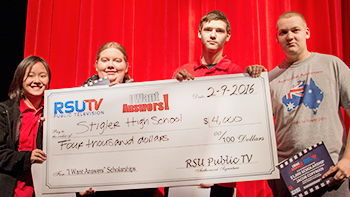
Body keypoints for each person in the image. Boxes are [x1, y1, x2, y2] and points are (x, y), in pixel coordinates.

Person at [173, 10, 266, 197]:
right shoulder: (183, 72)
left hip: (222, 174)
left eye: (219, 31)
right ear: (199, 33)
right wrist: (174, 87)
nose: (213, 35)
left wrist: (258, 80)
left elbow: (247, 124)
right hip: (184, 172)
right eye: (208, 29)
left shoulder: (239, 73)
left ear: (228, 36)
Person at [268, 11, 350, 196]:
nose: (290, 37)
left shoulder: (332, 65)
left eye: (295, 30)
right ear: (277, 38)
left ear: (307, 32)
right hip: (288, 180)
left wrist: (348, 160)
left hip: (333, 175)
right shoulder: (269, 79)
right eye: (283, 32)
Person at [78, 42, 157, 197]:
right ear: (96, 65)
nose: (111, 65)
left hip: (134, 187)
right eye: (105, 60)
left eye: (117, 60)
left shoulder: (143, 100)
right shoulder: (76, 100)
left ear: (127, 66)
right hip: (94, 186)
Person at [0, 56, 50, 197]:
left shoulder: (55, 112)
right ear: (20, 79)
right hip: (11, 190)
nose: (37, 81)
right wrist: (28, 158)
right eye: (30, 76)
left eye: (42, 76)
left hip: (44, 191)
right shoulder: (4, 111)